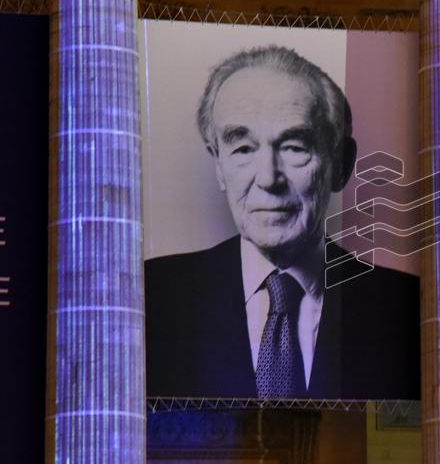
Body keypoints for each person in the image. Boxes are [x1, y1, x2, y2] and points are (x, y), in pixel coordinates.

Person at [145, 45, 419, 400]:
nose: (268, 178)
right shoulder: (153, 297)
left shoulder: (403, 306)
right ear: (218, 166)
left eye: (294, 147)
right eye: (243, 149)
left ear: (341, 165)